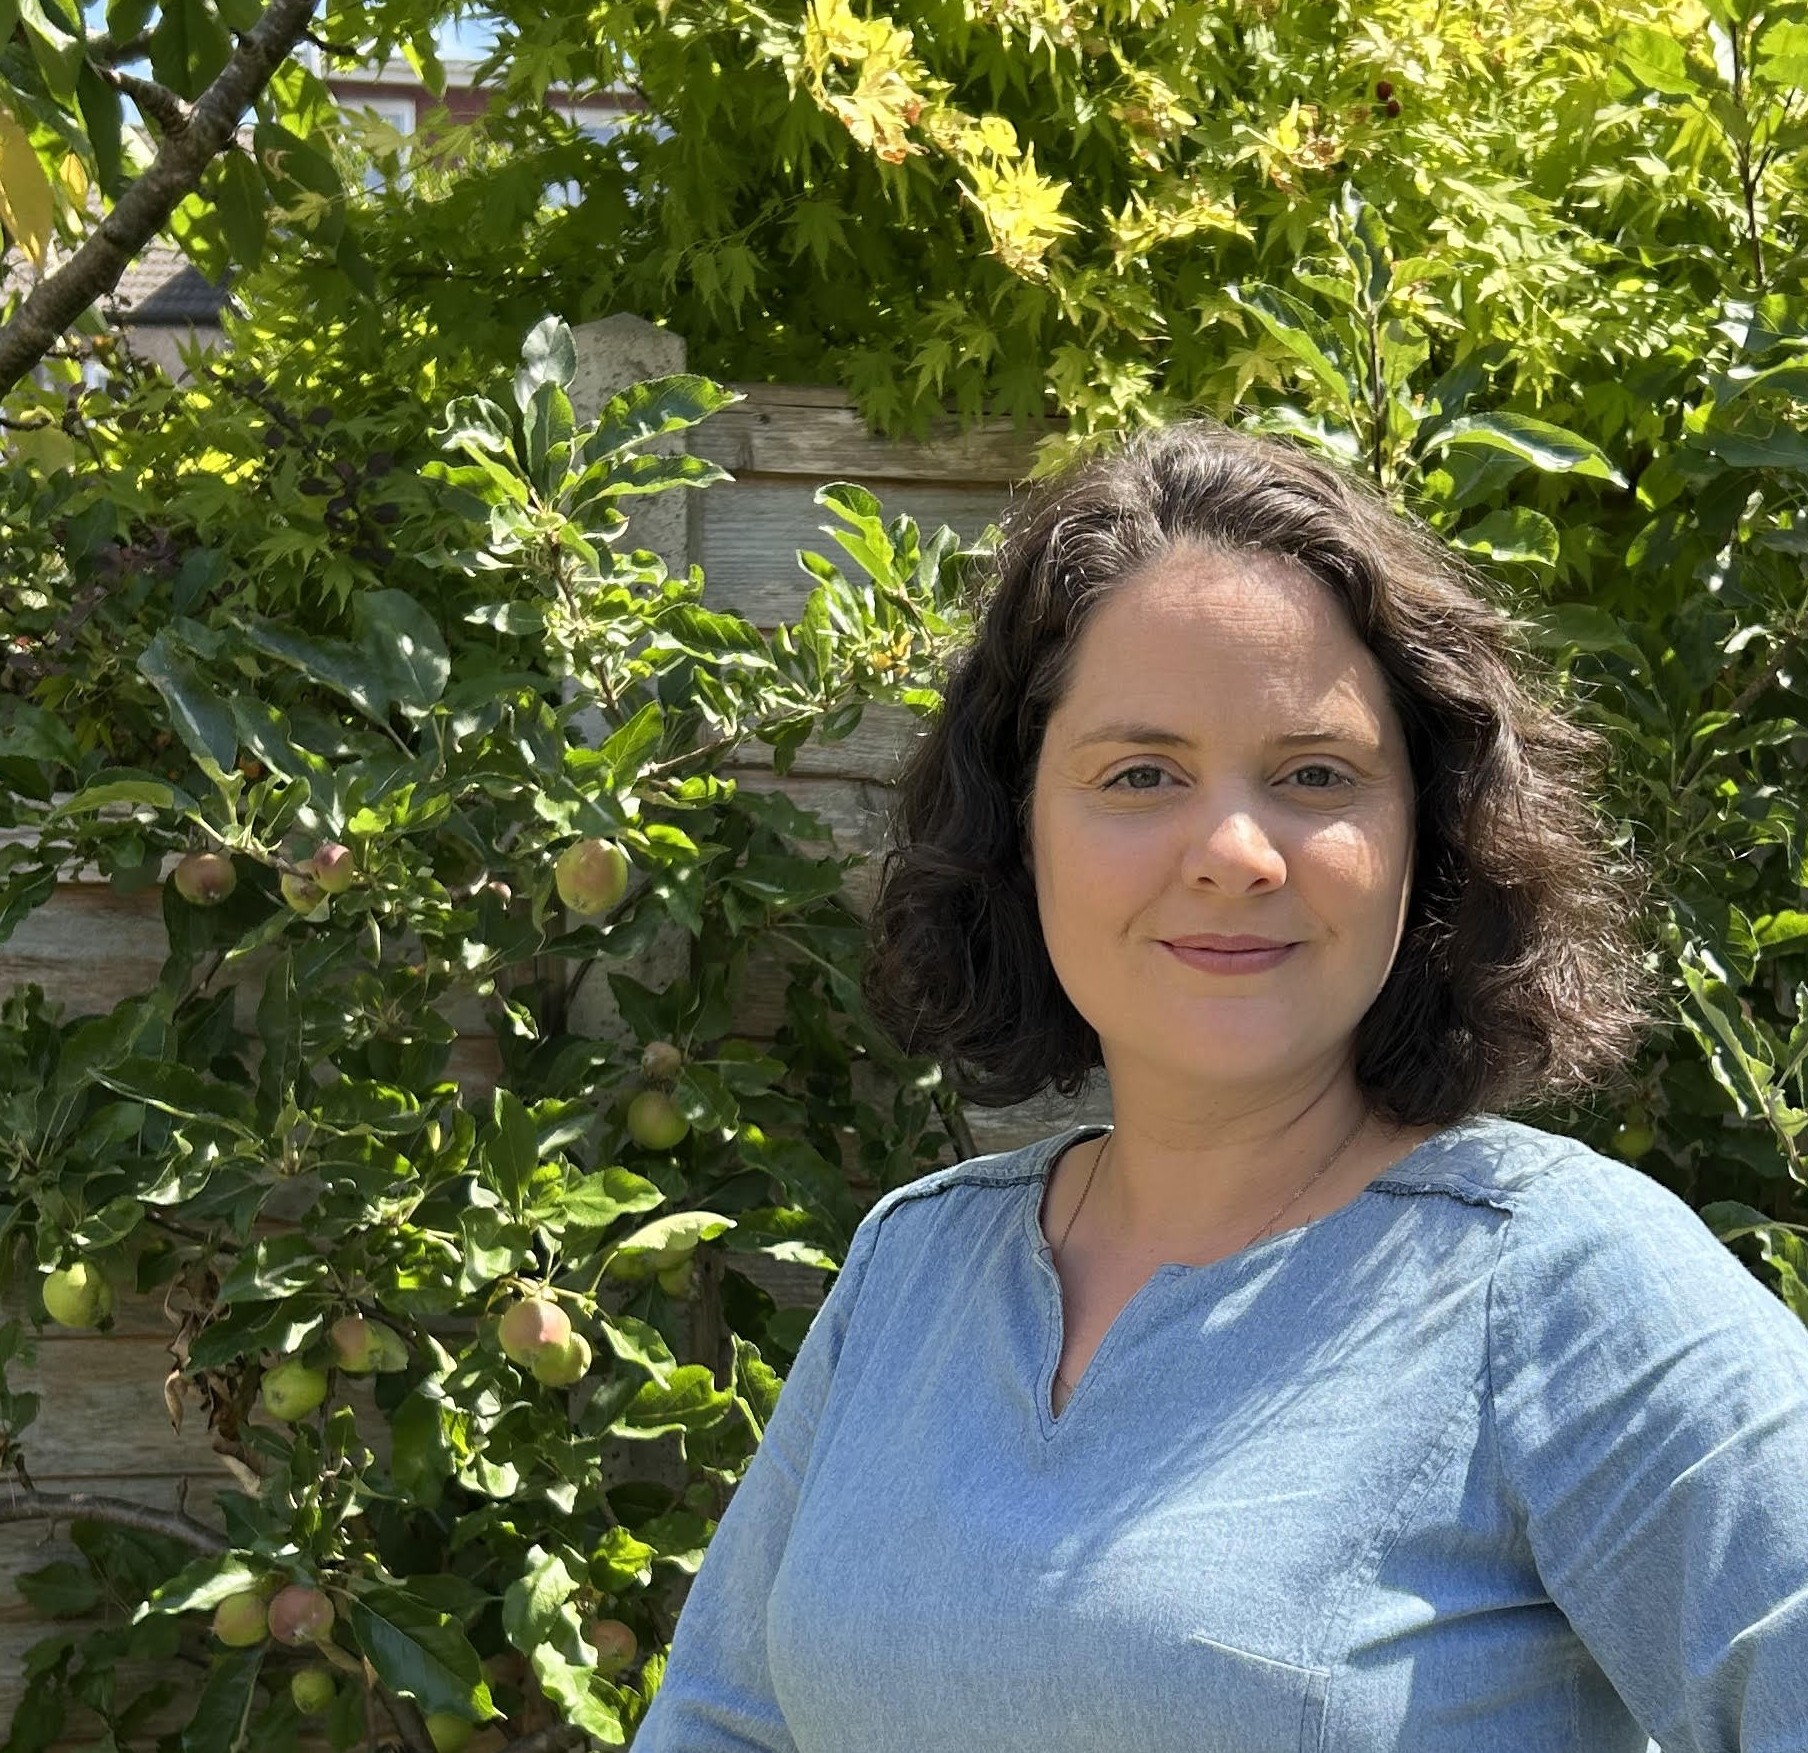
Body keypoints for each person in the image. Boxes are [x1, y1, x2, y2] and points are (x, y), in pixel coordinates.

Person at [631, 418, 1808, 1751]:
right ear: (1021, 829)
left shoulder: (1555, 1288)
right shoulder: (911, 1270)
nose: (1237, 850)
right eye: (1142, 774)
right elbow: (723, 1722)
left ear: (1426, 832)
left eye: (1316, 774)